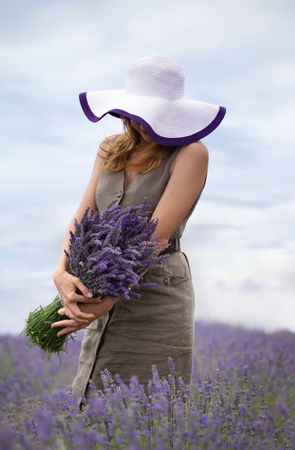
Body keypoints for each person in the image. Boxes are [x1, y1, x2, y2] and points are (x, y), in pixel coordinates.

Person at [51, 55, 226, 408]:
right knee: (92, 401)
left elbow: (154, 238)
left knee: (145, 409)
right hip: (100, 281)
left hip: (157, 289)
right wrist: (61, 272)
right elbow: (83, 216)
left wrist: (102, 305)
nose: (144, 124)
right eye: (139, 113)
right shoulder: (109, 149)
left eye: (155, 115)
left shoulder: (191, 153)